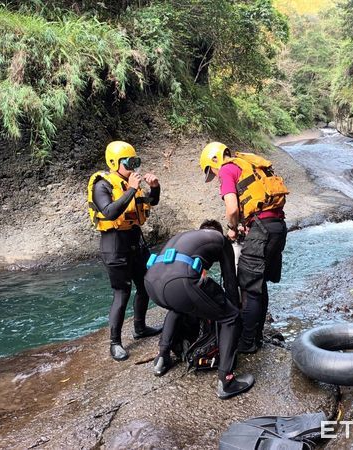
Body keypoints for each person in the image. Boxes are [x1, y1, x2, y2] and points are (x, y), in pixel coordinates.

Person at [144, 220, 255, 400]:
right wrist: (233, 311)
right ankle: (226, 381)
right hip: (179, 281)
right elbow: (230, 284)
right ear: (220, 234)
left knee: (177, 307)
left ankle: (162, 358)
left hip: (151, 283)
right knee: (230, 317)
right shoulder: (221, 240)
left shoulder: (184, 238)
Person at [199, 142, 288, 354]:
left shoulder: (227, 169)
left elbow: (231, 209)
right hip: (277, 228)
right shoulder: (247, 163)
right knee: (259, 284)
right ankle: (256, 337)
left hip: (261, 231)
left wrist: (232, 228)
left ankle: (247, 342)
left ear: (215, 160)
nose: (214, 174)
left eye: (211, 170)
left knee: (249, 286)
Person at [87, 141, 162, 361]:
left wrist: (155, 187)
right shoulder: (102, 184)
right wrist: (130, 188)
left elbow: (150, 202)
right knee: (122, 292)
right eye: (128, 162)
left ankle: (140, 327)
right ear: (114, 163)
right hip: (114, 244)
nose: (133, 166)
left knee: (146, 284)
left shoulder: (130, 183)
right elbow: (110, 212)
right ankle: (115, 342)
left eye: (135, 162)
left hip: (135, 241)